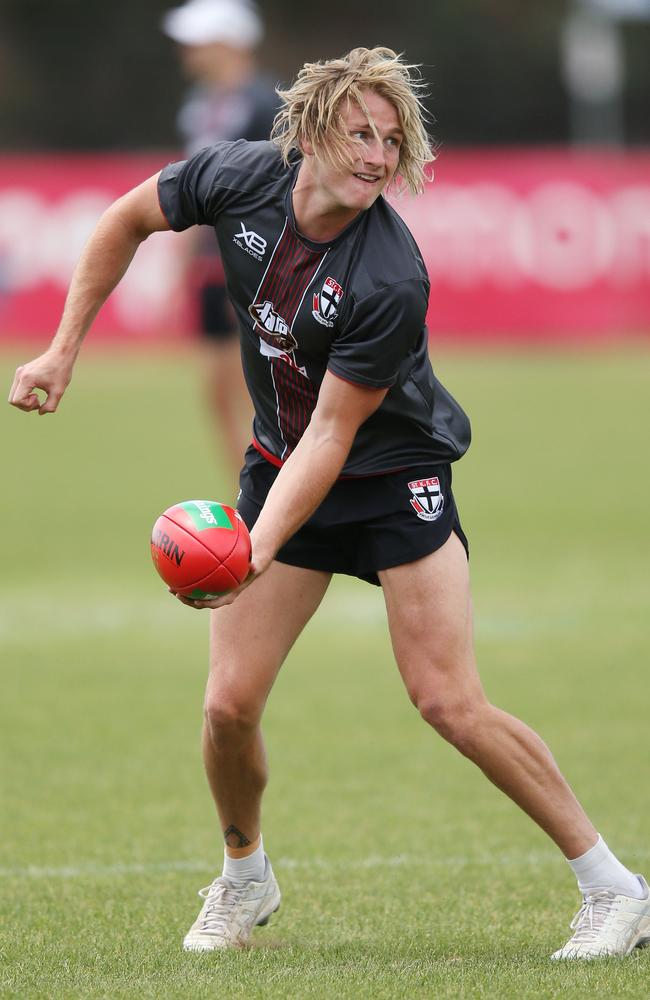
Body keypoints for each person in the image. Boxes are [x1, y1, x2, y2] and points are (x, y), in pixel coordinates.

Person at [8, 47, 650, 960]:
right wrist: (63, 347)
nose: (380, 155)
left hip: (393, 482)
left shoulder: (390, 274)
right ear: (311, 130)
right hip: (281, 467)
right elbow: (125, 219)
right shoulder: (237, 177)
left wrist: (252, 550)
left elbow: (333, 438)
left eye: (394, 141)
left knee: (448, 701)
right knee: (228, 708)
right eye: (361, 132)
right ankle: (244, 876)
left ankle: (615, 888)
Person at [162, 0, 278, 478]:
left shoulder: (267, 103)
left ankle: (281, 487)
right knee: (218, 391)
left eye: (197, 40)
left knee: (266, 388)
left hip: (258, 262)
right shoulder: (198, 109)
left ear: (229, 42)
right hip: (213, 265)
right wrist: (181, 262)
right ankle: (250, 489)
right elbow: (189, 189)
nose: (187, 51)